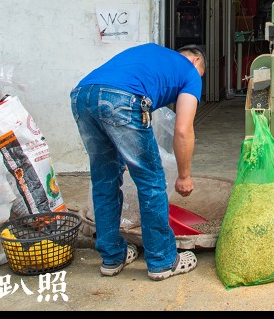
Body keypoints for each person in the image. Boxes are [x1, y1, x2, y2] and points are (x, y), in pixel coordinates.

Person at [70, 43, 206, 281]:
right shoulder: (190, 71)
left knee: (104, 180)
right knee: (151, 182)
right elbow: (183, 130)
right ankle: (162, 261)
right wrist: (184, 176)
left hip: (82, 95)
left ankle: (112, 257)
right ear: (196, 62)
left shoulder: (152, 54)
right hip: (122, 98)